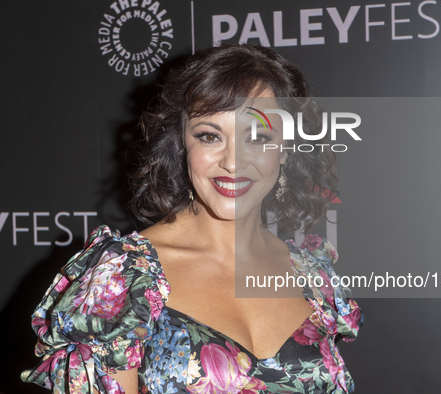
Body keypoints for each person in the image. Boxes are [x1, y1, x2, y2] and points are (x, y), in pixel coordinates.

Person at [21, 44, 363, 394]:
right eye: (210, 136)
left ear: (287, 149)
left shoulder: (314, 276)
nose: (233, 162)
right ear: (183, 143)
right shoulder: (123, 279)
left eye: (258, 137)